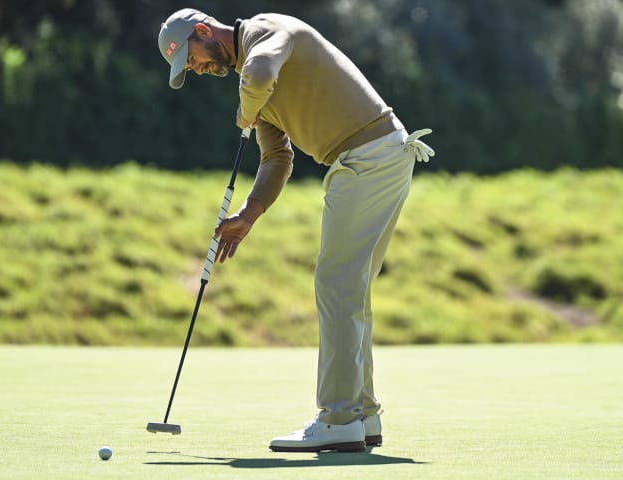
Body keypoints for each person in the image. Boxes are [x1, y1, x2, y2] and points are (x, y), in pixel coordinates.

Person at [157, 8, 434, 453]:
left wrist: (245, 112)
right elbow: (277, 160)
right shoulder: (253, 87)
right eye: (191, 69)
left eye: (192, 60)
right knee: (351, 289)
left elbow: (262, 72)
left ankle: (338, 418)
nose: (198, 70)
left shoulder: (267, 31)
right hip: (377, 157)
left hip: (368, 156)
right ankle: (362, 415)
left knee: (336, 282)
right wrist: (249, 214)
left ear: (203, 32)